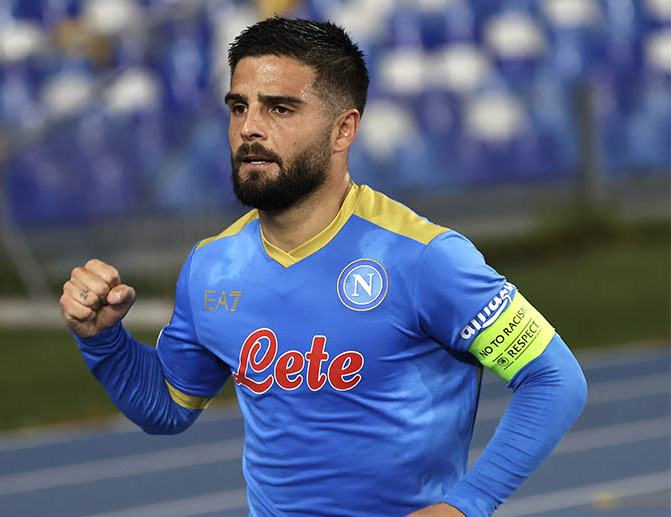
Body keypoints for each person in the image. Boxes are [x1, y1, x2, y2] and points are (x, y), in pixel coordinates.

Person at [60, 17, 587, 517]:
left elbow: (553, 378)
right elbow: (169, 407)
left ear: (343, 130)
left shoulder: (423, 258)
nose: (249, 128)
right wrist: (103, 340)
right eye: (239, 107)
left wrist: (467, 504)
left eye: (279, 109)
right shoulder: (211, 267)